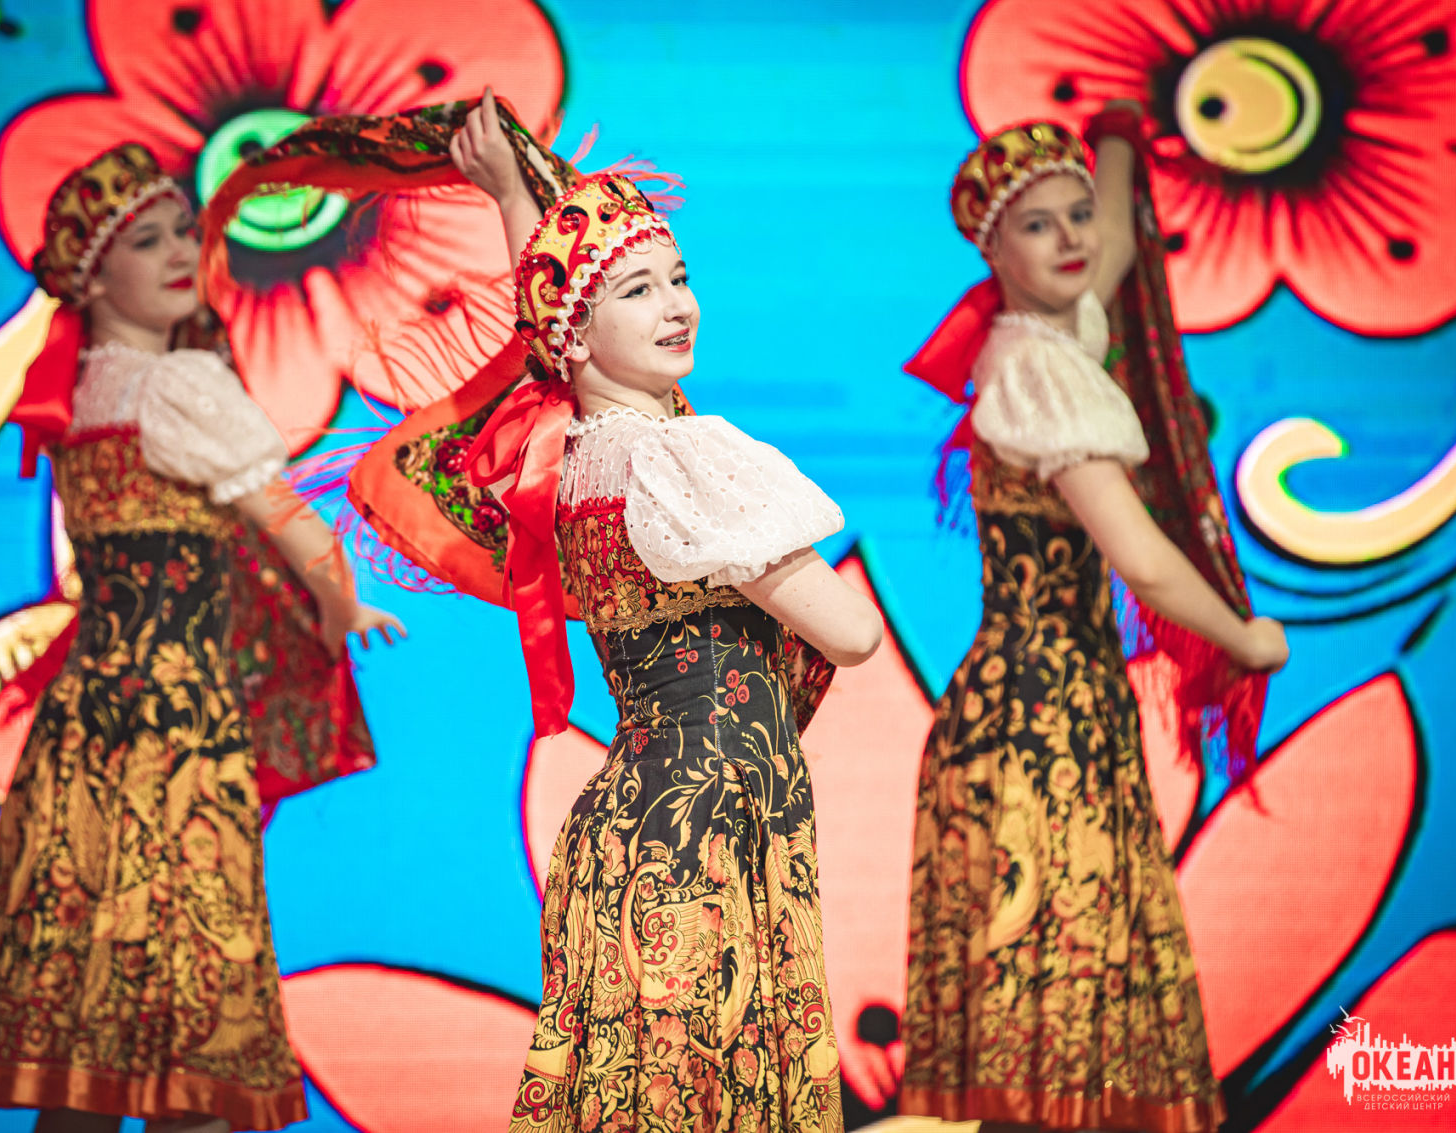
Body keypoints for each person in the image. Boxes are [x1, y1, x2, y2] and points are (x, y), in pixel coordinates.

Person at [201, 88, 883, 1130]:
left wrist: (512, 197)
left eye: (679, 278)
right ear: (578, 328)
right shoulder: (678, 460)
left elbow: (555, 334)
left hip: (637, 828)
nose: (676, 304)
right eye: (638, 289)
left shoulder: (564, 466)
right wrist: (772, 545)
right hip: (702, 837)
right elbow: (853, 631)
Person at [0, 142, 404, 1133]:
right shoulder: (180, 384)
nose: (183, 251)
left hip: (82, 729)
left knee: (87, 1025)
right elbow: (294, 526)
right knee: (190, 1016)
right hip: (178, 727)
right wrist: (339, 608)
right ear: (93, 276)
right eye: (147, 240)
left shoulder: (75, 395)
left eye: (184, 230)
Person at [898, 107, 1289, 1132]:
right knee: (1052, 983)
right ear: (993, 252)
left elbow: (1110, 248)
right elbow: (1142, 558)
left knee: (1065, 983)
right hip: (1037, 724)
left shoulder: (1055, 330)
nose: (1072, 237)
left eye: (1075, 214)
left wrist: (1115, 143)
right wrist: (1243, 638)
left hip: (1056, 704)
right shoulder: (1038, 371)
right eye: (1039, 225)